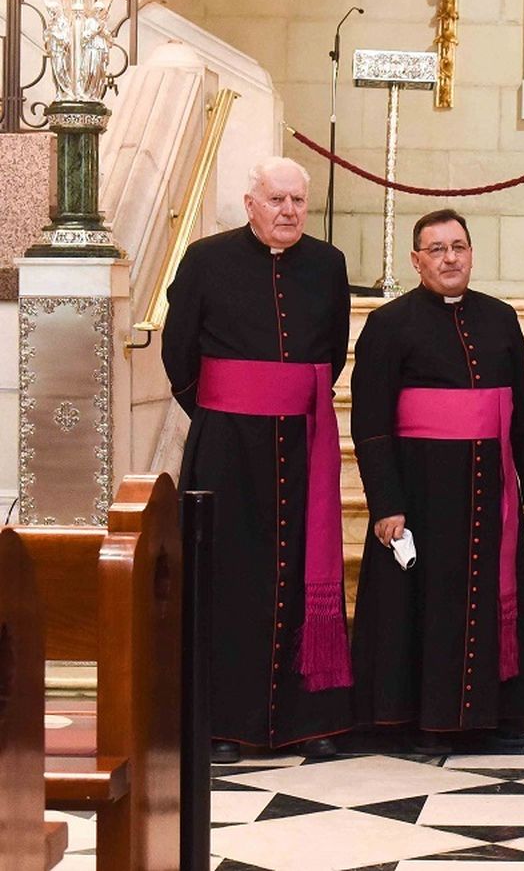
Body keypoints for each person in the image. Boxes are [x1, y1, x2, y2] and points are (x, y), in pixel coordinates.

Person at [162, 157, 352, 762]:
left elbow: (333, 351)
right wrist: (223, 412)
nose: (289, 212)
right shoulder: (206, 259)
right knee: (229, 576)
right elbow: (177, 350)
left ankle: (307, 720)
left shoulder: (328, 264)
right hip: (226, 445)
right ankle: (226, 725)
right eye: (276, 200)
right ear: (250, 204)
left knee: (302, 570)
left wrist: (286, 401)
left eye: (298, 201)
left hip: (302, 440)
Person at [349, 209, 524, 752]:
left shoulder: (500, 318)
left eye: (458, 246)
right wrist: (386, 502)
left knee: (488, 598)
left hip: (489, 489)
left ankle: (494, 714)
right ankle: (419, 717)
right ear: (416, 260)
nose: (450, 258)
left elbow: (521, 408)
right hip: (422, 494)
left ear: (471, 253)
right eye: (436, 249)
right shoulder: (388, 324)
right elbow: (369, 424)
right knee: (425, 605)